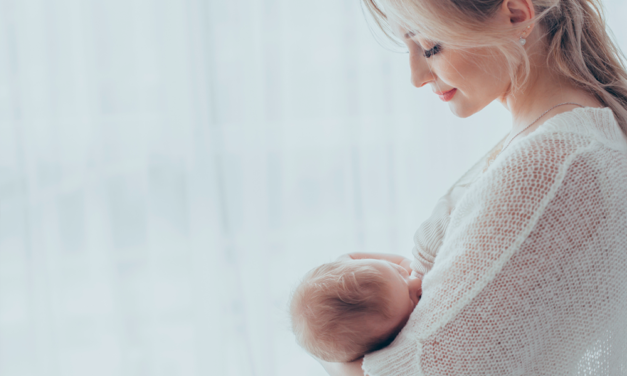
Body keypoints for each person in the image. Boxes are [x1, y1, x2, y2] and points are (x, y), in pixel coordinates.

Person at [319, 0, 627, 375]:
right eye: (409, 48)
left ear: (516, 15)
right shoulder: (562, 136)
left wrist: (330, 344)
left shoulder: (552, 163)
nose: (416, 76)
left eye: (430, 47)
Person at [289, 253, 422, 363]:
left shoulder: (352, 263)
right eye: (411, 299)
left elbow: (347, 258)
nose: (417, 282)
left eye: (399, 272)